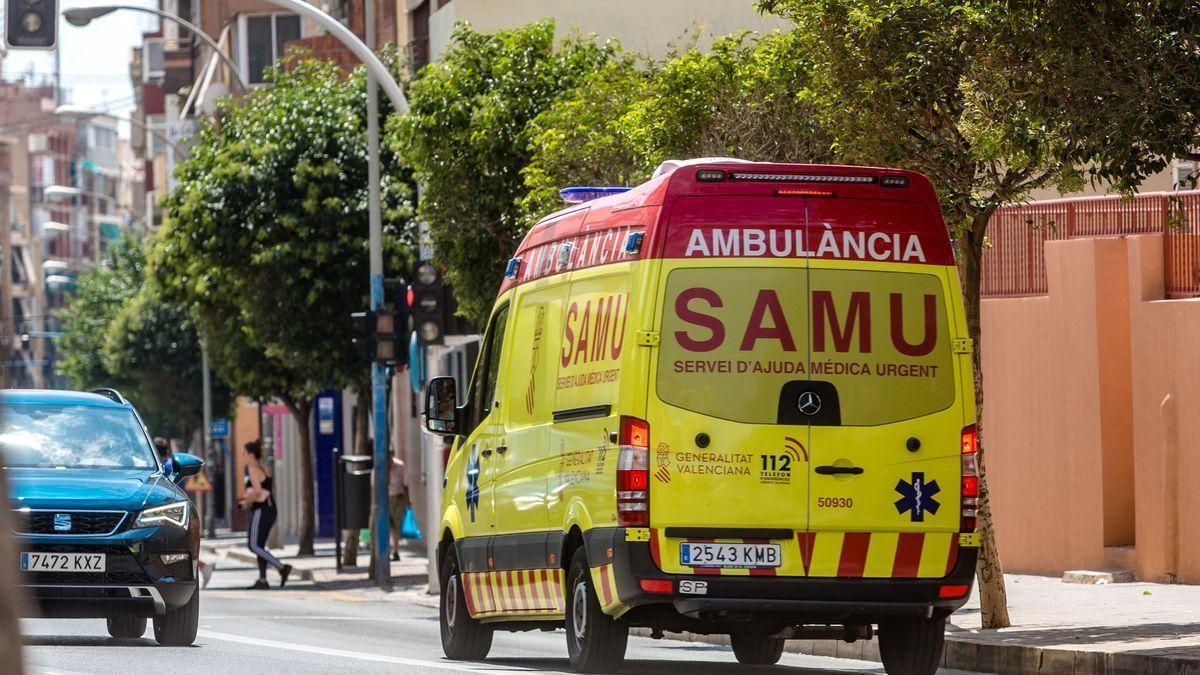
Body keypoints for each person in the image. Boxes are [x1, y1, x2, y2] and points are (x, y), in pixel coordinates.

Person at [154, 438, 216, 589]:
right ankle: (203, 567)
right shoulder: (170, 464)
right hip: (178, 509)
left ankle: (202, 567)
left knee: (176, 550)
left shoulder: (165, 467)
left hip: (171, 510)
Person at [240, 440, 292, 589]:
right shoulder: (262, 467)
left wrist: (246, 503)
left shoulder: (252, 467)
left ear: (250, 454)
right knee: (260, 545)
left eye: (244, 452)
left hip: (261, 510)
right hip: (270, 508)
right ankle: (263, 580)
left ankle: (282, 567)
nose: (243, 455)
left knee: (253, 545)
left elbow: (257, 490)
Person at [387, 454, 408, 562]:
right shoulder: (381, 466)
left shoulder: (400, 465)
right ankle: (388, 550)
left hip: (398, 498)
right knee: (387, 526)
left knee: (396, 525)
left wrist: (408, 501)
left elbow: (405, 484)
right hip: (385, 499)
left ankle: (395, 551)